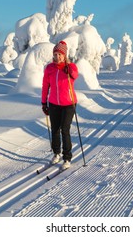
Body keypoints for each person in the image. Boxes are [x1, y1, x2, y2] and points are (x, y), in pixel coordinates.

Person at [41, 41, 79, 169]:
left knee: (65, 129)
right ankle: (56, 153)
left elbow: (75, 75)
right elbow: (45, 86)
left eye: (60, 54)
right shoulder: (50, 68)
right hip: (53, 104)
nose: (57, 57)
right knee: (55, 130)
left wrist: (69, 71)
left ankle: (67, 158)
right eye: (55, 54)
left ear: (64, 55)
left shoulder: (71, 67)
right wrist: (43, 102)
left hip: (69, 104)